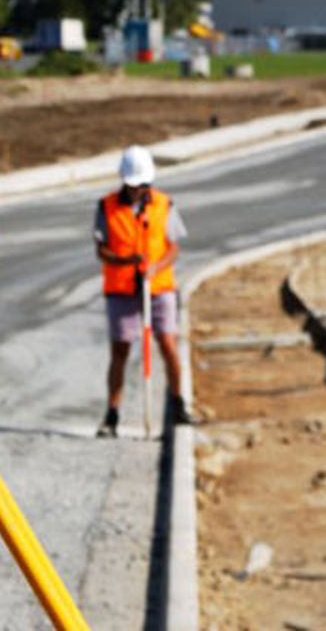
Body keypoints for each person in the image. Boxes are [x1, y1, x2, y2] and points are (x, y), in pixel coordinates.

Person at [92, 145, 195, 437]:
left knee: (167, 343)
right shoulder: (107, 206)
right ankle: (112, 414)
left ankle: (179, 405)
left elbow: (173, 247)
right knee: (120, 350)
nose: (138, 189)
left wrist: (155, 268)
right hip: (122, 288)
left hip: (158, 286)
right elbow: (102, 250)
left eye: (143, 184)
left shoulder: (164, 204)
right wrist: (127, 262)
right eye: (133, 184)